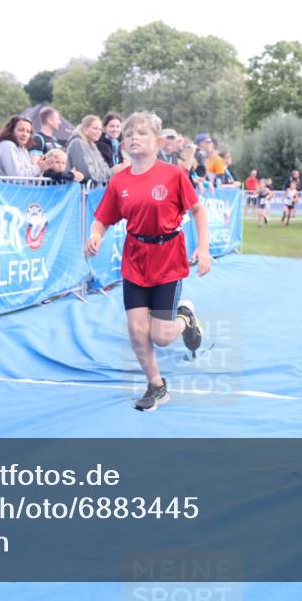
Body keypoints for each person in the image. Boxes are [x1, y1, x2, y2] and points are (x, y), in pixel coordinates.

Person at [84, 111, 210, 412]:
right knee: (137, 331)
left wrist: (203, 248)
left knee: (161, 336)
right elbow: (103, 218)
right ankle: (156, 385)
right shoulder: (120, 181)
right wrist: (95, 235)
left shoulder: (174, 175)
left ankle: (186, 317)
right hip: (135, 259)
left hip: (168, 259)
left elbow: (198, 211)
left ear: (156, 141)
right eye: (128, 134)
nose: (133, 138)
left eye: (140, 133)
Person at [67, 115, 113, 185]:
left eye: (100, 130)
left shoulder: (92, 145)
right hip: (80, 192)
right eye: (95, 128)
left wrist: (111, 172)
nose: (98, 132)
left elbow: (104, 168)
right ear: (85, 129)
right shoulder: (78, 143)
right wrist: (113, 171)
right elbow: (87, 173)